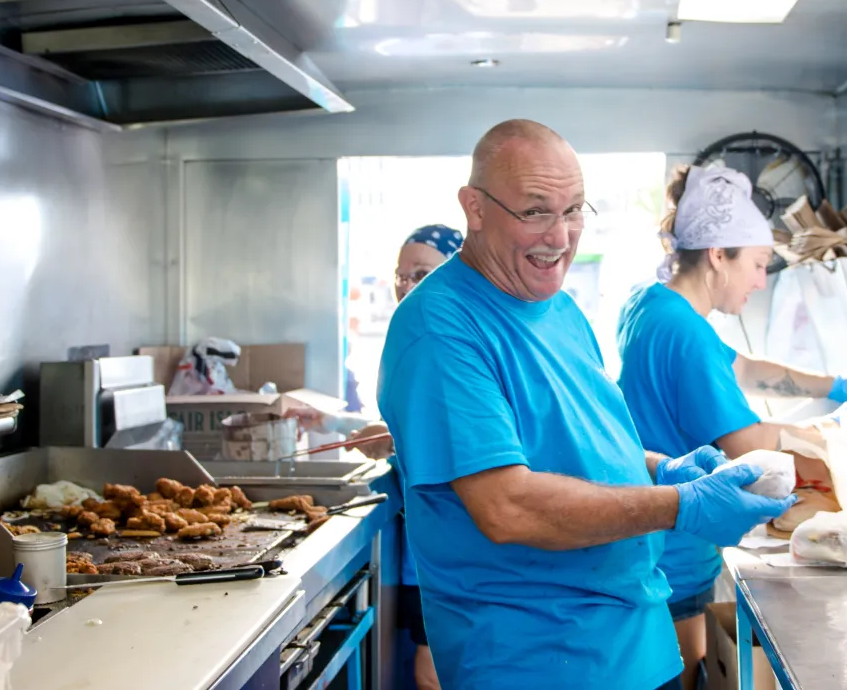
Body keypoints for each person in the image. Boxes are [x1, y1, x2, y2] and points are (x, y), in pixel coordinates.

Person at [377, 120, 797, 690]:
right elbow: (507, 506)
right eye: (535, 211)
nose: (560, 235)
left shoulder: (557, 306)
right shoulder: (439, 329)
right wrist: (679, 505)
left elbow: (587, 446)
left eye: (574, 209)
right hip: (538, 661)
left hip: (630, 643)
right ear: (473, 207)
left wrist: (662, 469)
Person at [616, 165, 847, 690]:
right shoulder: (684, 329)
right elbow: (745, 444)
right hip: (672, 549)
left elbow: (744, 368)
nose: (761, 280)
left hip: (659, 538)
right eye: (759, 263)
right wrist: (835, 433)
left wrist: (838, 385)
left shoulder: (652, 305)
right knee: (683, 678)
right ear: (718, 256)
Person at [339, 224, 465, 690]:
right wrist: (393, 436)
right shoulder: (419, 335)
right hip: (427, 547)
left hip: (454, 549)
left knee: (434, 675)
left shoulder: (449, 340)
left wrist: (395, 440)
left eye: (421, 273)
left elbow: (464, 439)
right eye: (401, 275)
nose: (406, 286)